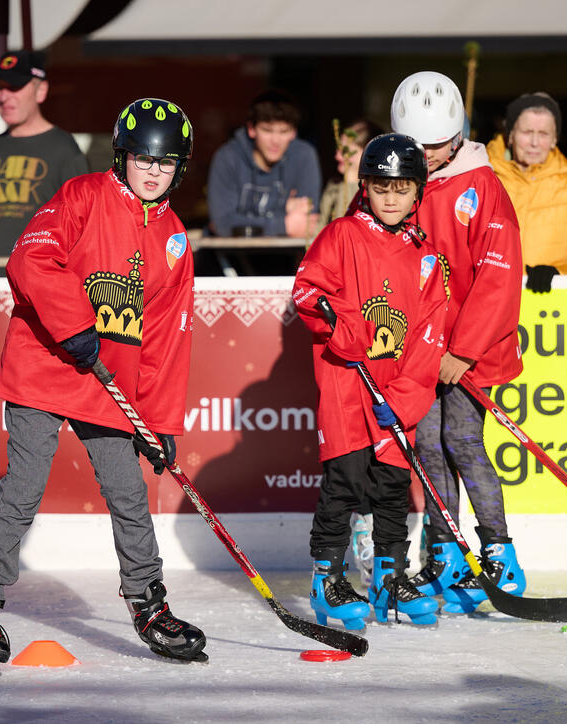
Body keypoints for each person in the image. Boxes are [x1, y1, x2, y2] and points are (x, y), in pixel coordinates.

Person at [0, 98, 204, 677]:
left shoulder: (173, 241)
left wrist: (161, 422)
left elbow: (167, 340)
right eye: (143, 159)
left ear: (180, 170)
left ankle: (148, 605)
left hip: (105, 384)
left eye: (166, 164)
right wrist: (74, 326)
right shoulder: (82, 197)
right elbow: (31, 258)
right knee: (25, 485)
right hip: (44, 366)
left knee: (129, 494)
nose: (153, 171)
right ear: (122, 155)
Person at [293, 133, 449, 629]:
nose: (390, 197)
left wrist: (405, 399)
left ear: (418, 191)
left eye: (401, 187)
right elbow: (306, 293)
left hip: (393, 394)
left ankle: (389, 580)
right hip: (346, 387)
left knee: (391, 486)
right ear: (365, 186)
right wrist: (346, 329)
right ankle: (329, 580)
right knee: (343, 485)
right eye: (381, 186)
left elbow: (429, 335)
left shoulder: (426, 257)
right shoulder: (341, 236)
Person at [390, 71, 526, 614]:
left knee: (463, 441)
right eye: (419, 146)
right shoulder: (393, 181)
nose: (431, 155)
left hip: (472, 350)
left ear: (459, 135)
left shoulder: (483, 186)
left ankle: (498, 551)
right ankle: (445, 552)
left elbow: (499, 275)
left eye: (440, 144)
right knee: (427, 445)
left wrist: (464, 350)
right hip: (421, 350)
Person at [0, 50, 89, 257]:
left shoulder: (64, 149)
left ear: (40, 90)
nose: (4, 97)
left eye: (14, 87)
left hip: (38, 280)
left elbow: (83, 223)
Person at [486, 92, 567, 292]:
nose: (534, 142)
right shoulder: (484, 181)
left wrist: (558, 274)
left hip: (549, 311)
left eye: (543, 134)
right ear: (511, 136)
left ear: (554, 140)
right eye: (526, 132)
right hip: (490, 305)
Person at [206, 89, 322, 239]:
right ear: (251, 129)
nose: (275, 141)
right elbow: (222, 224)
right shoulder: (227, 158)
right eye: (267, 130)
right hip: (230, 257)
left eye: (283, 131)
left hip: (286, 257)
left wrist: (243, 220)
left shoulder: (304, 156)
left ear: (293, 132)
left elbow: (307, 224)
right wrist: (284, 220)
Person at [318, 118, 384, 228]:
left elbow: (345, 224)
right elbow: (322, 226)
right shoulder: (334, 185)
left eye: (346, 151)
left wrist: (350, 182)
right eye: (338, 149)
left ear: (368, 153)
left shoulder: (380, 189)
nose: (337, 156)